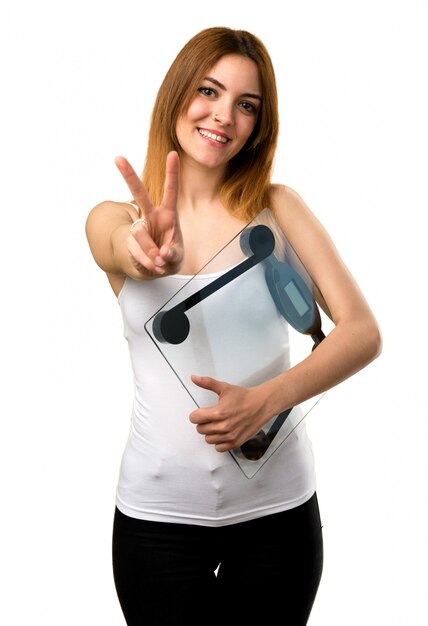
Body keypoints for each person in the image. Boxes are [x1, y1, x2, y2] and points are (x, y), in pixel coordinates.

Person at [85, 26, 382, 626]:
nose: (224, 116)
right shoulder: (117, 219)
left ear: (259, 124)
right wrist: (144, 254)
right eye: (209, 91)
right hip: (158, 523)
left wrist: (265, 402)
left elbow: (361, 332)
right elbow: (119, 247)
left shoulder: (279, 209)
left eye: (247, 105)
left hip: (278, 517)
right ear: (177, 94)